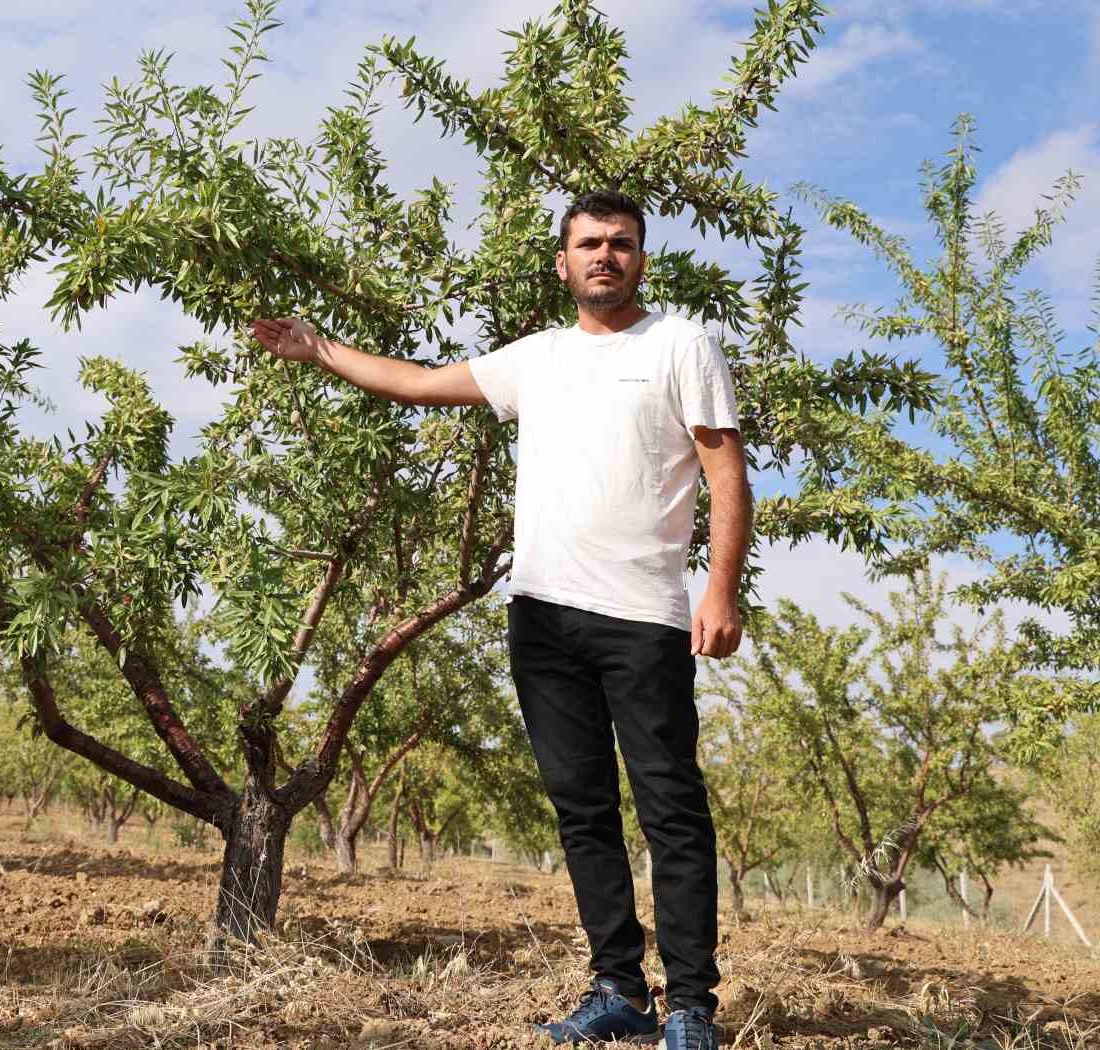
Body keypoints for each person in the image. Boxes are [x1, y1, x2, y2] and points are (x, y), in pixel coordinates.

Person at [251, 189, 749, 1049]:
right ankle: (618, 992)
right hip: (544, 620)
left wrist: (720, 591)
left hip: (645, 618)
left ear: (641, 258)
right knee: (581, 808)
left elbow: (726, 473)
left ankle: (692, 1007)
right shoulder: (538, 358)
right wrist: (317, 349)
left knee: (670, 806)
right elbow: (414, 384)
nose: (605, 256)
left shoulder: (679, 343)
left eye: (621, 244)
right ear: (563, 264)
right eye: (589, 244)